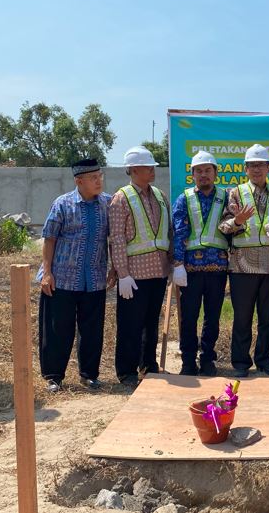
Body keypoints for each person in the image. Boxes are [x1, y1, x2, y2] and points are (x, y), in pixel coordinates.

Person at [38, 158, 114, 392]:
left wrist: (115, 268)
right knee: (57, 330)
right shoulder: (63, 204)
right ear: (79, 181)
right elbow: (49, 238)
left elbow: (114, 238)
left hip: (95, 278)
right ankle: (54, 377)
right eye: (93, 178)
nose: (98, 181)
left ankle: (89, 375)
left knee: (92, 330)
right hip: (62, 279)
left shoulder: (108, 203)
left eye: (100, 176)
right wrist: (47, 273)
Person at [218, 144, 269, 378]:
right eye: (252, 165)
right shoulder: (235, 193)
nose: (256, 169)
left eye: (261, 165)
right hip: (242, 265)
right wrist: (237, 221)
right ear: (245, 169)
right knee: (242, 317)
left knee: (266, 317)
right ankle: (240, 362)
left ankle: (264, 360)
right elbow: (223, 227)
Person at [109, 147, 172, 386]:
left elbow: (168, 232)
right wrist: (122, 273)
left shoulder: (159, 196)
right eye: (148, 167)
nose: (152, 171)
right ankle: (127, 371)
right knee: (130, 325)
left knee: (150, 323)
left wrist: (173, 263)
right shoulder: (121, 198)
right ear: (134, 170)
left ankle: (149, 366)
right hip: (134, 275)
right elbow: (117, 238)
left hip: (158, 271)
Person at [172, 151, 229, 376]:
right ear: (192, 174)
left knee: (212, 317)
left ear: (215, 173)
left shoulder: (226, 197)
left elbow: (233, 227)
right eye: (199, 171)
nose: (203, 175)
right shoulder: (184, 198)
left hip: (218, 267)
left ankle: (207, 358)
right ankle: (188, 361)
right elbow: (179, 232)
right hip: (190, 270)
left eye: (207, 170)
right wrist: (177, 264)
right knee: (189, 317)